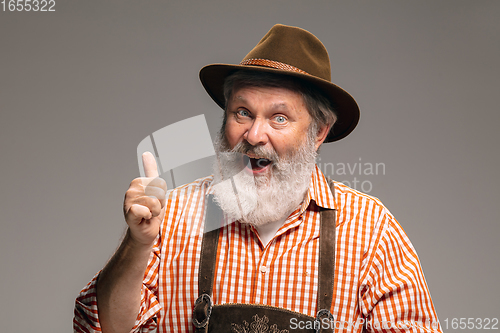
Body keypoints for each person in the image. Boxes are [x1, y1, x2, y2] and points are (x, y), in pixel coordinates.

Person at [74, 24, 442, 333]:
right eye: (242, 113)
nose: (254, 135)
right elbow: (105, 328)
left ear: (319, 131)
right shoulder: (171, 215)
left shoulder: (371, 231)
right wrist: (137, 243)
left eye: (279, 118)